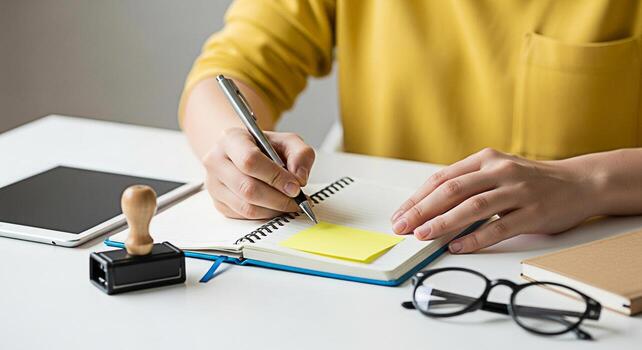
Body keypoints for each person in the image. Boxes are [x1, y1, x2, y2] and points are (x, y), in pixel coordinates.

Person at [180, 1, 642, 254]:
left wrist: (587, 182)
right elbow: (229, 71)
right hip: (392, 277)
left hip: (587, 269)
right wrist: (231, 147)